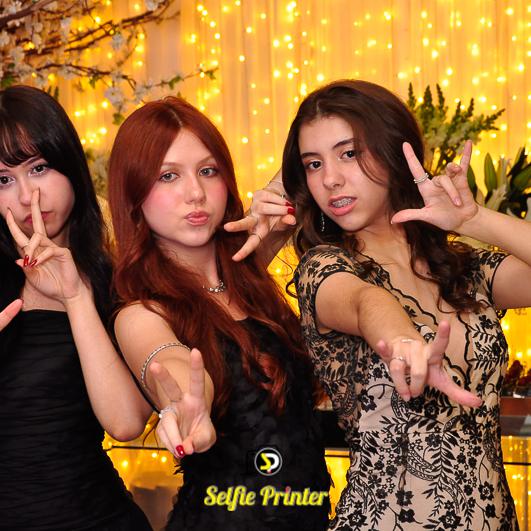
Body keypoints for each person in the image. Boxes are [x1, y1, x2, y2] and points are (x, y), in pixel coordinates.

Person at [261, 79, 529, 530]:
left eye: (349, 153)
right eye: (313, 164)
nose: (330, 178)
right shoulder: (325, 267)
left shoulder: (461, 268)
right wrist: (404, 340)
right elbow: (365, 303)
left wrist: (474, 218)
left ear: (392, 150)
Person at [107, 96, 331, 530]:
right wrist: (185, 406)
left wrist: (273, 200)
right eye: (168, 176)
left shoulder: (247, 270)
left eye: (208, 171)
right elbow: (169, 364)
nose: (195, 192)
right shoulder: (141, 312)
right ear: (134, 195)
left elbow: (309, 152)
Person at [0, 86, 153, 530]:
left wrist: (76, 296)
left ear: (69, 165)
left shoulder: (120, 277)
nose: (27, 195)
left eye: (39, 168)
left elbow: (126, 423)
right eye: (3, 179)